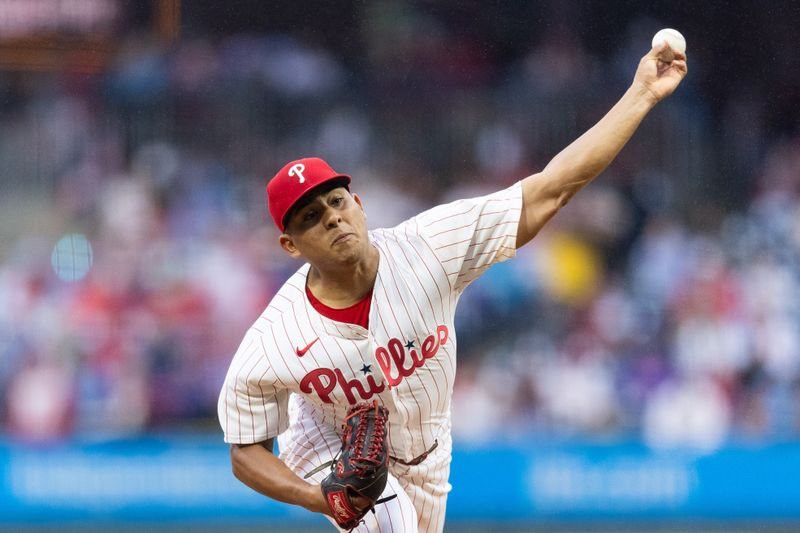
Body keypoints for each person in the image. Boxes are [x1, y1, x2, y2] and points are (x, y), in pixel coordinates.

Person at [217, 42, 687, 532]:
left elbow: (552, 188)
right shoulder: (276, 338)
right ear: (290, 245)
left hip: (429, 450)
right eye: (312, 218)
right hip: (327, 449)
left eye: (337, 201)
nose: (333, 219)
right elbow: (245, 452)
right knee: (391, 516)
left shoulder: (429, 247)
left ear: (359, 202)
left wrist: (641, 95)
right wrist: (316, 497)